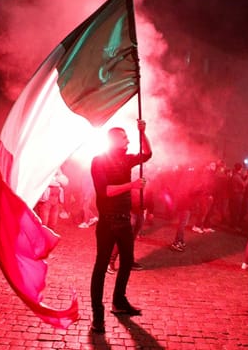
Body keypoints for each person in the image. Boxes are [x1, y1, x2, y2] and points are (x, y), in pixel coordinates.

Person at [89, 120, 152, 334]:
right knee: (100, 267)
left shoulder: (126, 160)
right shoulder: (98, 161)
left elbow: (147, 154)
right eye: (125, 137)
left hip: (124, 220)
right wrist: (132, 185)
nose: (128, 140)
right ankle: (98, 316)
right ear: (114, 139)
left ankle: (119, 301)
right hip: (107, 221)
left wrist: (143, 133)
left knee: (126, 262)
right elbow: (105, 191)